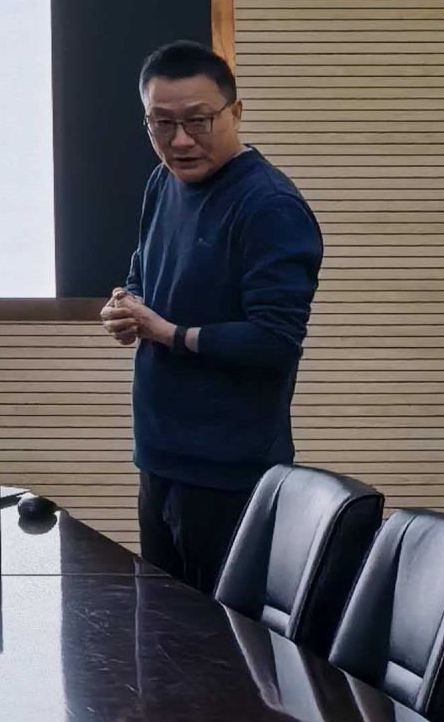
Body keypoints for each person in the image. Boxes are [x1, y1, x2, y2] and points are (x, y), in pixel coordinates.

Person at [100, 42, 323, 592]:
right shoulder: (163, 182)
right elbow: (141, 274)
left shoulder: (269, 205)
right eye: (161, 123)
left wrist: (170, 334)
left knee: (220, 636)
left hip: (230, 472)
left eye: (197, 121)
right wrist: (125, 306)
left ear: (235, 112)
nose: (179, 141)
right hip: (160, 455)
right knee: (163, 624)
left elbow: (274, 342)